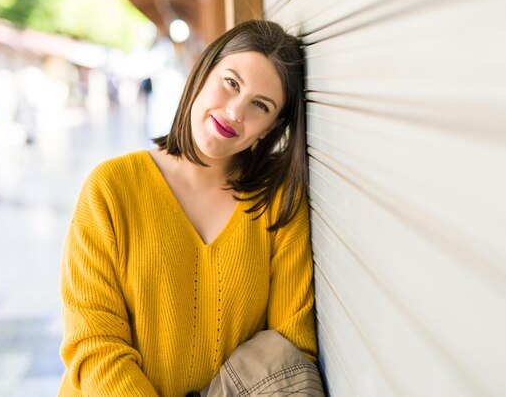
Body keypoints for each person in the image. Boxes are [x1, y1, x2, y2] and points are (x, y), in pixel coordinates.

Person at [59, 20, 320, 396]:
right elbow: (94, 345)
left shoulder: (278, 205)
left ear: (270, 128)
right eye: (231, 83)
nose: (234, 112)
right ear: (202, 71)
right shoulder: (110, 188)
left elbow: (289, 352)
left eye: (259, 105)